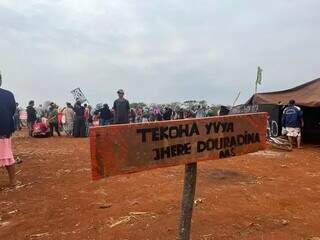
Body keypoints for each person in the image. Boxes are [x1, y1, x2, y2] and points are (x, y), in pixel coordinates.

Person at [0, 77, 17, 187]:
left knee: (7, 155)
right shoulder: (9, 94)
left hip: (4, 129)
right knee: (7, 155)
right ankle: (13, 182)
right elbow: (12, 111)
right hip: (5, 130)